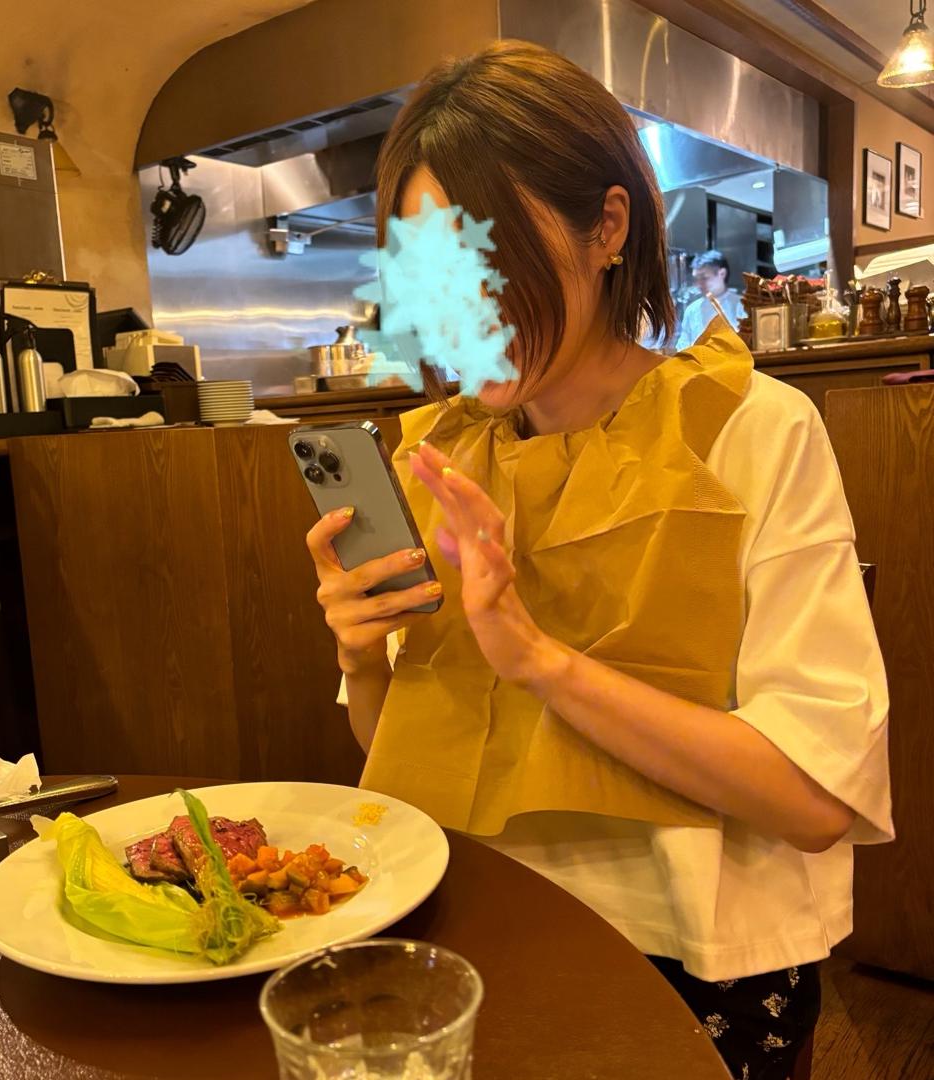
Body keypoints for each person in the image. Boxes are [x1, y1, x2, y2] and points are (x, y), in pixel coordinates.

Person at [304, 41, 891, 1080]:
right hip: (476, 934)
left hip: (697, 969)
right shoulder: (441, 458)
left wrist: (536, 659)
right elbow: (398, 749)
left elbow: (814, 801)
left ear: (607, 226)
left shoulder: (751, 430)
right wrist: (360, 655)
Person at [675, 250, 745, 351]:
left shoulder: (742, 305)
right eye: (696, 278)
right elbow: (683, 347)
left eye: (704, 278)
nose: (698, 284)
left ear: (722, 273)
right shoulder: (692, 310)